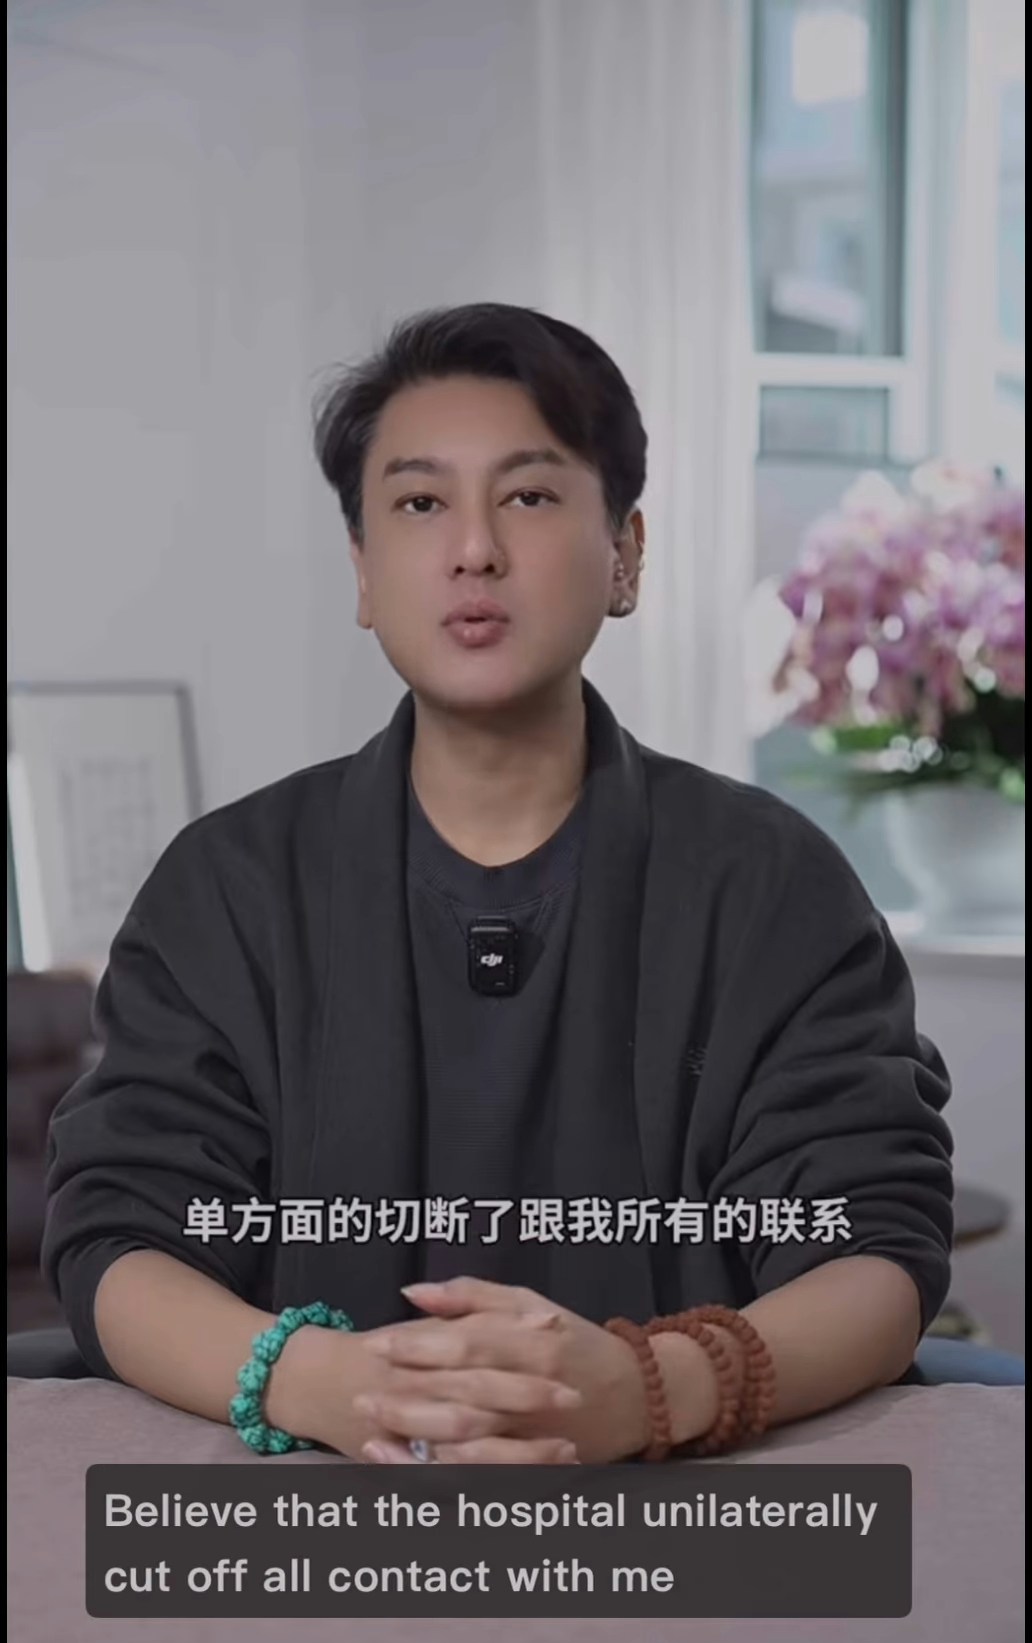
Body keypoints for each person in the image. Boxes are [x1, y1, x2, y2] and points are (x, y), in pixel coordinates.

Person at [41, 302, 957, 1465]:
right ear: (363, 569)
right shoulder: (227, 886)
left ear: (625, 554)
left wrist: (654, 1388)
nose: (473, 549)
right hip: (311, 1515)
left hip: (685, 1516)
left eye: (528, 495)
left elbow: (875, 1241)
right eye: (420, 504)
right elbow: (120, 1232)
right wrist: (327, 1382)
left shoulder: (773, 883)